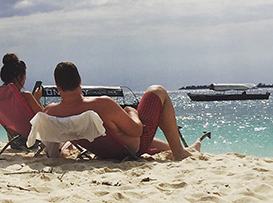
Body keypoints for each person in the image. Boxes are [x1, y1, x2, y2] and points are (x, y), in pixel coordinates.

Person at [44, 61, 200, 160]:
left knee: (118, 129)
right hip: (129, 149)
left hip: (104, 151)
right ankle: (179, 153)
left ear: (57, 87)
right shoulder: (103, 104)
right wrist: (131, 111)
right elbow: (138, 131)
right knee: (158, 91)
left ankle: (182, 149)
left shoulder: (51, 112)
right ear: (79, 80)